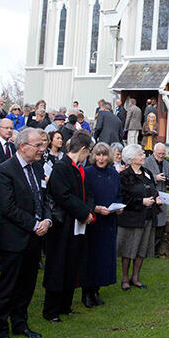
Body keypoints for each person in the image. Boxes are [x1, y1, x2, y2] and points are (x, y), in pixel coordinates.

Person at [0, 128, 51, 338]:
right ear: (23, 146)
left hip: (34, 238)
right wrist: (35, 224)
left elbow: (42, 198)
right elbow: (8, 207)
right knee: (8, 287)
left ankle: (20, 323)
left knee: (27, 285)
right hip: (14, 239)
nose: (42, 150)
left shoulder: (36, 167)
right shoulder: (4, 171)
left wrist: (47, 220)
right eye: (38, 146)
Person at [42, 131, 95, 322]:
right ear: (82, 149)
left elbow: (87, 193)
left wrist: (88, 211)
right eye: (88, 151)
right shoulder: (61, 168)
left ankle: (66, 305)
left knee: (73, 263)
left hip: (78, 225)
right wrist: (83, 213)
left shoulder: (79, 168)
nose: (88, 156)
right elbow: (63, 196)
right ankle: (51, 309)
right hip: (63, 225)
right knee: (59, 265)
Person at [82, 142, 122, 308]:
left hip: (109, 221)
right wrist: (96, 209)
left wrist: (119, 207)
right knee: (91, 257)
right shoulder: (87, 172)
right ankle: (87, 293)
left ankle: (97, 290)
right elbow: (84, 197)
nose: (101, 158)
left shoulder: (113, 174)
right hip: (94, 221)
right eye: (98, 155)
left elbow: (119, 194)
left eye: (104, 155)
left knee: (104, 258)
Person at [117, 144, 161, 291]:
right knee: (129, 249)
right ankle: (125, 279)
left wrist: (157, 198)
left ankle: (135, 277)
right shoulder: (124, 175)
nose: (143, 156)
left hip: (147, 217)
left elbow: (153, 189)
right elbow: (122, 198)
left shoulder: (146, 172)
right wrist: (141, 201)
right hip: (132, 218)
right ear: (131, 158)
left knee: (142, 249)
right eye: (140, 154)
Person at [144, 142, 169, 252]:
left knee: (161, 224)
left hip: (163, 196)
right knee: (150, 224)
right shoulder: (147, 162)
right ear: (154, 152)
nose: (161, 156)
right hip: (151, 196)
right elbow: (143, 178)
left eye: (163, 154)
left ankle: (155, 250)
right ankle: (147, 249)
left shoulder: (166, 164)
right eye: (159, 154)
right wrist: (155, 178)